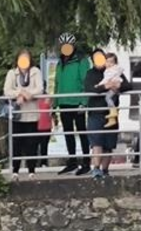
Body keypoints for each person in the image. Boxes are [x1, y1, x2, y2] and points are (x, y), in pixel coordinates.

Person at [84, 49, 130, 179]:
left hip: (112, 112)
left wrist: (117, 86)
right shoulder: (90, 74)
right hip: (96, 112)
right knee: (96, 142)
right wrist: (105, 86)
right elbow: (89, 88)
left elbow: (127, 85)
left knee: (109, 144)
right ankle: (96, 169)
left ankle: (105, 170)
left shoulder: (114, 70)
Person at [54, 33, 92, 175]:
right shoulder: (60, 62)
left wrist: (84, 102)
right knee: (68, 132)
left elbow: (85, 81)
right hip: (64, 102)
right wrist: (54, 103)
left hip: (77, 102)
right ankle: (72, 161)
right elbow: (57, 83)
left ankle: (86, 162)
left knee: (82, 132)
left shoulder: (81, 61)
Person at [4, 49, 44, 179]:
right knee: (17, 143)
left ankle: (31, 170)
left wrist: (28, 95)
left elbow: (40, 88)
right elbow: (7, 90)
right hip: (18, 114)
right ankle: (15, 170)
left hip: (32, 113)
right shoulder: (12, 73)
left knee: (32, 143)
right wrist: (19, 94)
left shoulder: (35, 72)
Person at [101, 53, 125, 128]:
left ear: (115, 63)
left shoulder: (111, 71)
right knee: (109, 100)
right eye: (107, 61)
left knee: (108, 98)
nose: (109, 64)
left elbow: (106, 80)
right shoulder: (107, 70)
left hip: (114, 88)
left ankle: (113, 111)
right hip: (113, 89)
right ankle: (112, 119)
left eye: (111, 62)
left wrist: (100, 85)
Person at [36, 86, 53, 166]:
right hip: (36, 123)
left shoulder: (48, 97)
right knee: (36, 144)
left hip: (45, 124)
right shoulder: (34, 97)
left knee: (44, 145)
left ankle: (43, 162)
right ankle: (39, 162)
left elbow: (51, 111)